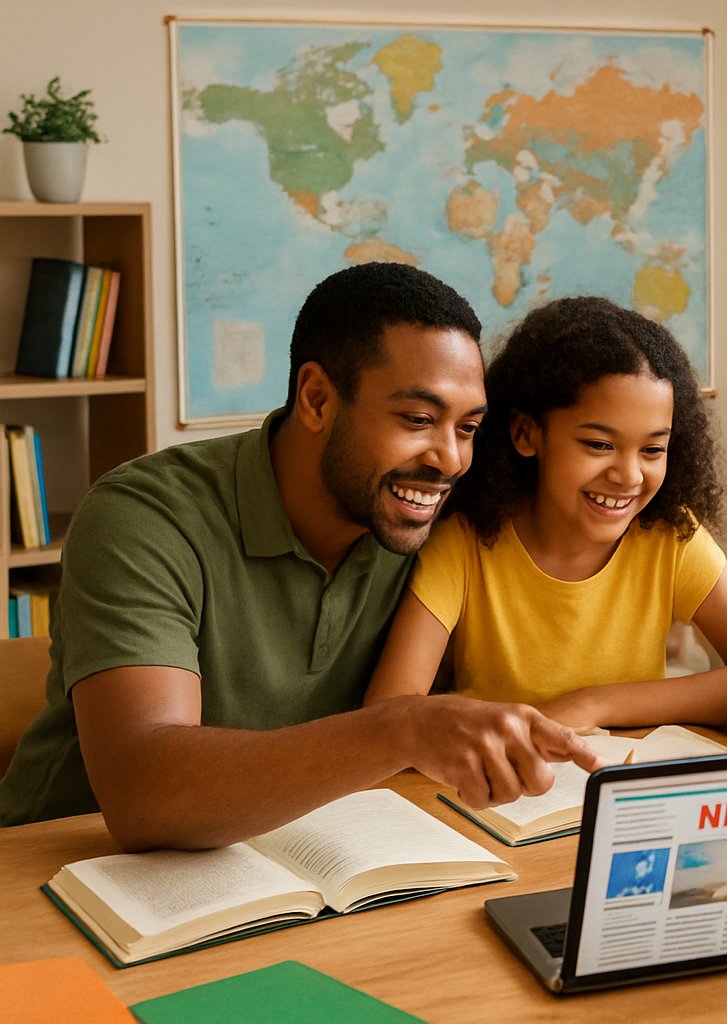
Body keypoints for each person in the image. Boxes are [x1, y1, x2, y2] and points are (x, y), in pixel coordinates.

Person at [0, 263, 598, 851]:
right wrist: (404, 727)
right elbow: (141, 794)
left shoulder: (430, 518)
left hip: (292, 859)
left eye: (467, 428)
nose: (450, 460)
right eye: (418, 419)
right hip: (64, 871)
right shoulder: (143, 516)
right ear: (316, 399)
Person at [363, 296, 727, 729]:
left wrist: (594, 705)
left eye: (652, 450)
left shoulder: (671, 538)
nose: (628, 475)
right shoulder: (465, 540)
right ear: (526, 434)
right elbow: (388, 711)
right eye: (599, 445)